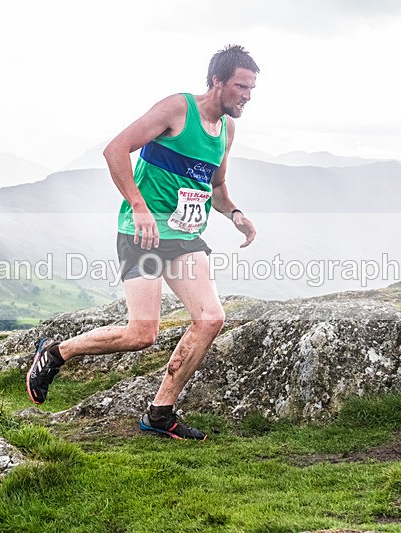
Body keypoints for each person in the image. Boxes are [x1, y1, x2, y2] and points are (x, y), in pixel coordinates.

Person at [27, 45, 259, 440]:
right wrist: (138, 205)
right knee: (141, 334)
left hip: (184, 236)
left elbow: (216, 186)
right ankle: (56, 352)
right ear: (217, 81)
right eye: (241, 86)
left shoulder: (227, 130)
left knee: (211, 319)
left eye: (252, 89)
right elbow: (115, 149)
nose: (247, 96)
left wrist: (236, 215)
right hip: (144, 234)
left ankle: (160, 412)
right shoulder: (177, 109)